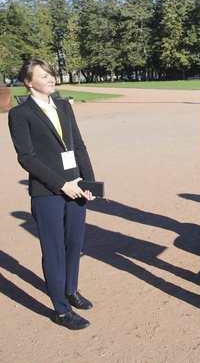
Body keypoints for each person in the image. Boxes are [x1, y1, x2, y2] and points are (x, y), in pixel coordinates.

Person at [8, 59, 96, 330]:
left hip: (76, 186)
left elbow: (78, 145)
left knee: (74, 243)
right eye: (43, 76)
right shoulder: (20, 114)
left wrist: (89, 180)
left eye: (51, 74)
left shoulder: (63, 106)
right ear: (28, 81)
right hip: (47, 192)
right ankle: (61, 309)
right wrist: (61, 184)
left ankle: (70, 289)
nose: (50, 79)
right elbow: (27, 158)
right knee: (54, 250)